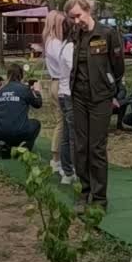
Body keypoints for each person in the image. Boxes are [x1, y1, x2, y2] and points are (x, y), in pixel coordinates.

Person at [65, 0, 125, 212]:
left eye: (78, 15)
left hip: (100, 98)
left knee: (96, 148)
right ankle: (84, 191)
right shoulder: (76, 34)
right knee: (80, 146)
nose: (76, 21)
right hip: (78, 96)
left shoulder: (107, 34)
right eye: (72, 18)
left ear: (87, 9)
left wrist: (110, 89)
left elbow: (118, 67)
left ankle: (99, 199)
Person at [0, 64, 43, 158]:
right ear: (21, 75)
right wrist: (37, 92)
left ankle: (7, 146)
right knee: (36, 124)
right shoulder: (24, 89)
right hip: (19, 130)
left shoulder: (2, 90)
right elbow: (38, 104)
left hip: (0, 131)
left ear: (8, 75)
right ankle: (25, 149)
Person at [43, 10, 66, 173]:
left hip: (55, 83)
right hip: (59, 83)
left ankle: (57, 157)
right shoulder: (55, 43)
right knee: (62, 122)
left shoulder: (50, 42)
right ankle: (57, 157)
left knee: (61, 121)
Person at [56, 18, 77, 185]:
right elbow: (74, 68)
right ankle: (72, 170)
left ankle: (67, 170)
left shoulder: (65, 45)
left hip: (64, 94)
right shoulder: (70, 47)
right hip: (70, 95)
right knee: (72, 136)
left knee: (67, 135)